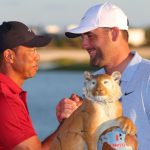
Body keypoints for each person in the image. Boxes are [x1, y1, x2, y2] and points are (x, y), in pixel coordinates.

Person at [56, 2, 150, 150]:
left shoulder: (148, 77)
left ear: (114, 33)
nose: (84, 45)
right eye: (82, 37)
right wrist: (70, 120)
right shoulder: (92, 82)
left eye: (90, 36)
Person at [0, 21, 59, 150]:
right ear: (9, 56)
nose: (37, 57)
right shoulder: (5, 99)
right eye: (32, 50)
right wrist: (69, 121)